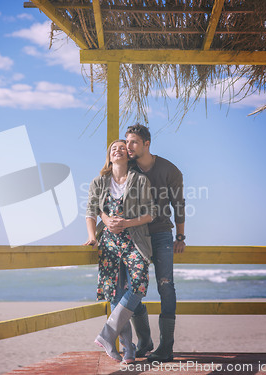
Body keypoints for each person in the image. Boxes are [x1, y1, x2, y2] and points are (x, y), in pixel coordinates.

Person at [103, 124, 186, 363]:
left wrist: (180, 237)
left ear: (146, 144)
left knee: (166, 286)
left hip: (160, 234)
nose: (128, 147)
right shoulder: (126, 167)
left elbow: (179, 205)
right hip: (132, 236)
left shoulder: (170, 170)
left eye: (133, 142)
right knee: (133, 286)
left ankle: (166, 347)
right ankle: (145, 340)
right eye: (126, 142)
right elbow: (104, 195)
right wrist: (107, 221)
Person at [84, 139, 157, 363]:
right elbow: (91, 210)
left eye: (122, 148)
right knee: (115, 295)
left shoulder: (140, 180)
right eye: (113, 148)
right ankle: (129, 350)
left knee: (138, 286)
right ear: (109, 156)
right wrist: (92, 236)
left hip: (135, 241)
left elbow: (151, 212)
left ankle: (107, 334)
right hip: (108, 244)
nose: (117, 150)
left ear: (128, 155)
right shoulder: (99, 182)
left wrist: (126, 223)